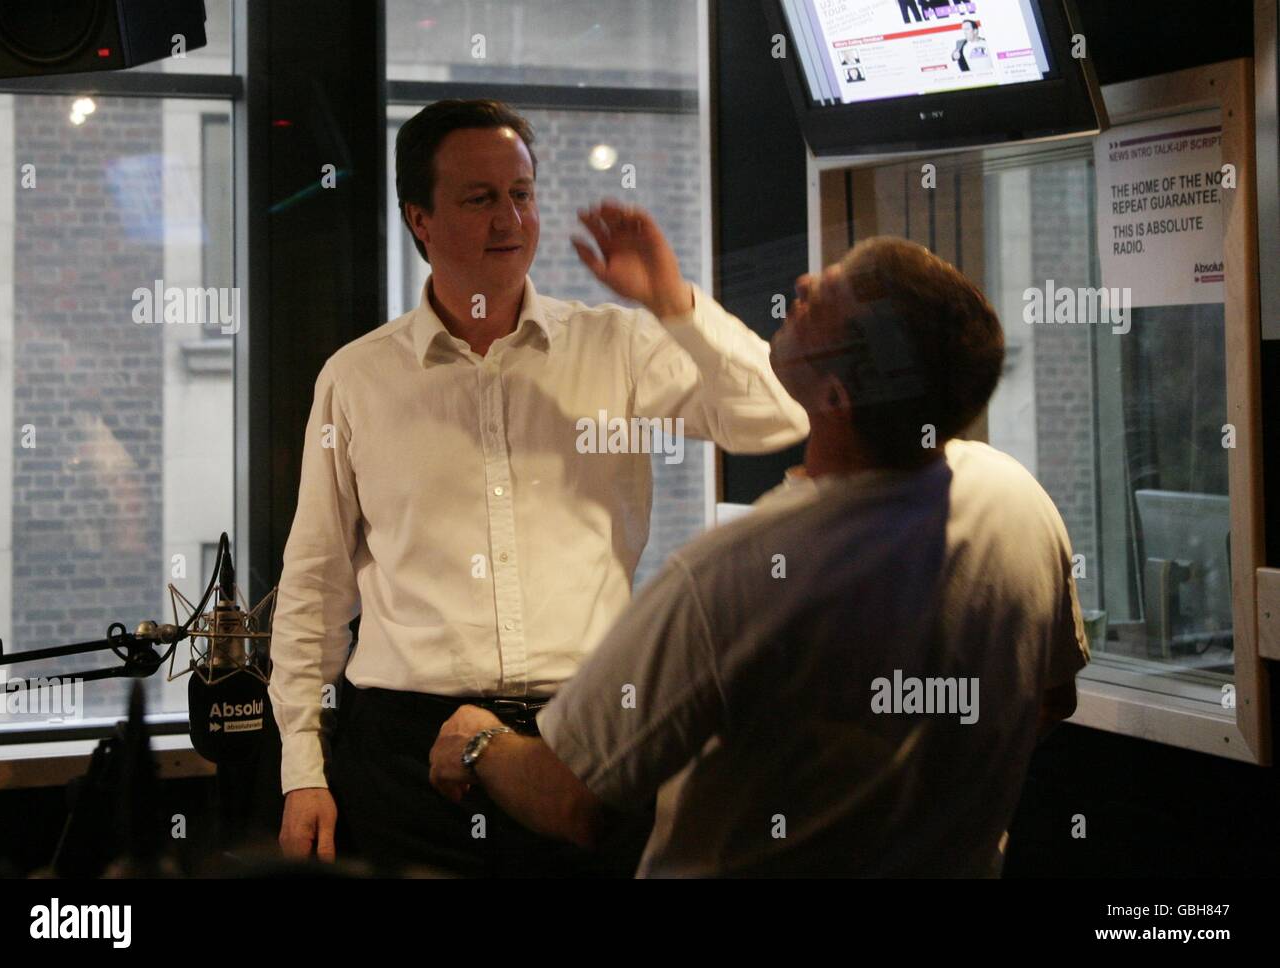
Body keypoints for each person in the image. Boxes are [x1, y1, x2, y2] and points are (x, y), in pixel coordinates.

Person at [427, 236, 1090, 877]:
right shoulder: (1018, 501)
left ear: (835, 397)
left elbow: (572, 800)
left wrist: (481, 739)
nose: (801, 284)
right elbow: (1051, 695)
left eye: (827, 297)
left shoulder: (734, 574)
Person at [270, 99, 809, 876]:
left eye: (521, 193)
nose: (510, 218)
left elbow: (774, 415)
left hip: (585, 740)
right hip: (406, 758)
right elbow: (315, 585)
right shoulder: (357, 378)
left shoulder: (616, 345)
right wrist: (302, 772)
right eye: (480, 198)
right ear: (420, 220)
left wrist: (673, 303)